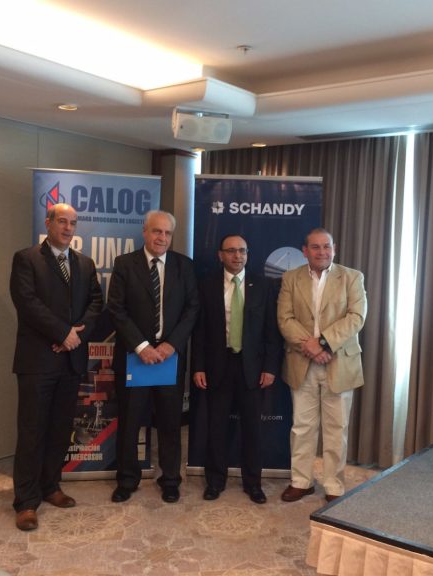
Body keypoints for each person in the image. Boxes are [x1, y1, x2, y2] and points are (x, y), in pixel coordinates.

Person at [9, 203, 104, 531]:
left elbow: (96, 303)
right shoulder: (26, 259)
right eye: (62, 221)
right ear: (48, 223)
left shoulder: (85, 263)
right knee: (32, 431)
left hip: (70, 359)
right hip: (37, 360)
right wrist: (62, 333)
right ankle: (26, 501)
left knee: (60, 428)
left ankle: (50, 486)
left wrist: (74, 337)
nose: (68, 228)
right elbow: (27, 302)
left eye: (73, 223)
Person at [106, 210, 199, 503]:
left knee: (170, 423)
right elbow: (116, 308)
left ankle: (170, 479)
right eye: (157, 231)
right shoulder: (125, 264)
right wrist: (142, 346)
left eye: (167, 233)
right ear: (145, 232)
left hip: (170, 357)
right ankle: (127, 479)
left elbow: (192, 308)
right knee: (130, 422)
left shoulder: (184, 266)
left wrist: (172, 344)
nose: (162, 238)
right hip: (135, 356)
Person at [277, 228, 366, 503]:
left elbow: (356, 317)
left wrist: (324, 343)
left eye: (326, 246)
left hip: (339, 362)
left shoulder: (352, 277)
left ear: (334, 248)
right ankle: (301, 481)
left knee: (336, 428)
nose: (322, 252)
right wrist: (311, 347)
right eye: (315, 247)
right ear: (305, 251)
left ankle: (334, 485)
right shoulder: (290, 278)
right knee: (302, 426)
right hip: (301, 361)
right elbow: (285, 318)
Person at [191, 235, 282, 504]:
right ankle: (215, 482)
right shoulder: (206, 284)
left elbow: (271, 331)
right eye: (231, 251)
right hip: (217, 366)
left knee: (252, 429)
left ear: (247, 254)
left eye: (242, 251)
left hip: (252, 368)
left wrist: (270, 367)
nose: (237, 256)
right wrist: (198, 367)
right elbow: (199, 331)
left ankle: (253, 483)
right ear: (220, 255)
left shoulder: (263, 285)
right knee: (216, 428)